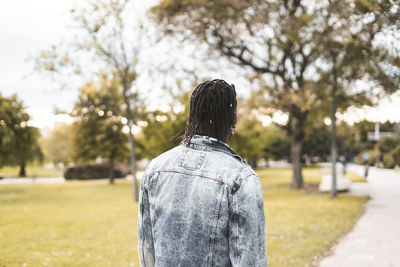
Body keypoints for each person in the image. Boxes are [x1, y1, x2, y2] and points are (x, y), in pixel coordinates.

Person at [138, 79, 268, 266]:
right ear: (233, 119)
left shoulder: (155, 169)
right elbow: (251, 261)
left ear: (193, 116)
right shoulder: (241, 178)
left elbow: (146, 252)